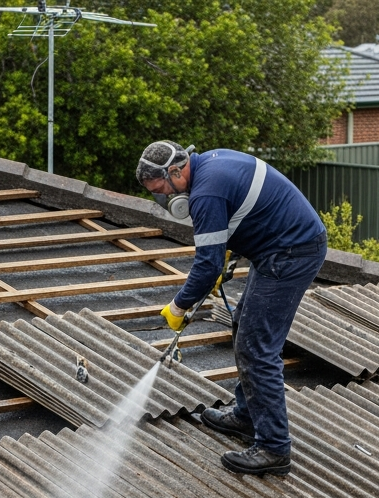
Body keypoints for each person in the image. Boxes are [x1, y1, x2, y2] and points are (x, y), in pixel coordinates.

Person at [137, 141, 327, 476]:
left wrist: (179, 306)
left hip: (290, 252)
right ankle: (247, 416)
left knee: (256, 349)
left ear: (177, 171)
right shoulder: (211, 163)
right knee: (245, 327)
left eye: (163, 189)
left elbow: (206, 265)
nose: (165, 198)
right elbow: (246, 208)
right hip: (280, 246)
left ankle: (273, 448)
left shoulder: (205, 195)